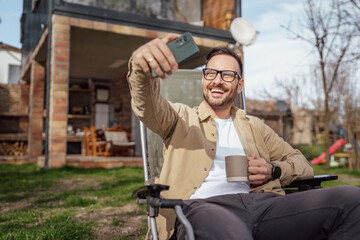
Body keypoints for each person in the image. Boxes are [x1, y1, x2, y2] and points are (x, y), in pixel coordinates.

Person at [127, 34, 360, 240]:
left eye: (227, 75)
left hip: (266, 205)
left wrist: (273, 170)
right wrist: (140, 67)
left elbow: (303, 165)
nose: (217, 80)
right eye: (210, 73)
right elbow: (147, 106)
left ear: (239, 85)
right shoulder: (180, 118)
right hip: (205, 208)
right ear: (204, 78)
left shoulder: (256, 126)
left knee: (352, 200)